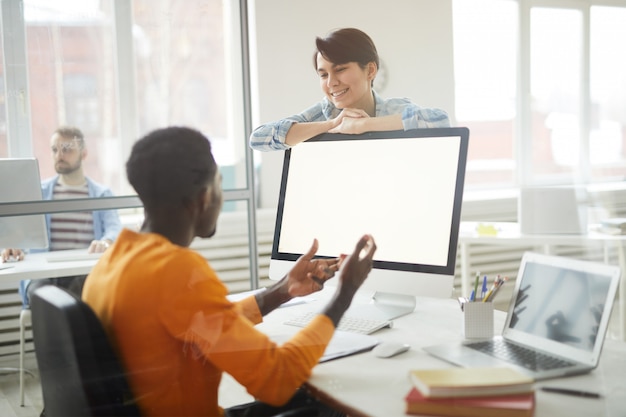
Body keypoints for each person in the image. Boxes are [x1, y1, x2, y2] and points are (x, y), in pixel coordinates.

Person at [82, 126, 376, 417]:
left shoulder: (114, 261)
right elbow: (278, 380)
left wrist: (283, 290)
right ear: (204, 197)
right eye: (220, 184)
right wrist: (344, 294)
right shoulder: (176, 270)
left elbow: (200, 325)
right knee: (336, 404)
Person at [249, 27, 450, 151]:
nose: (331, 83)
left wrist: (365, 125)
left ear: (370, 70)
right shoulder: (320, 116)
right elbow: (258, 138)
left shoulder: (394, 110)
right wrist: (333, 124)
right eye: (324, 75)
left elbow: (440, 121)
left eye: (340, 69)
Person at [1, 125, 122, 302]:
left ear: (84, 154)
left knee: (87, 290)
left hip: (82, 272)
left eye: (67, 149)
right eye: (54, 149)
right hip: (43, 274)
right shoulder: (38, 192)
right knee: (42, 295)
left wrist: (106, 241)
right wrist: (14, 245)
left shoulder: (101, 194)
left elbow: (114, 227)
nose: (59, 155)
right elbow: (20, 230)